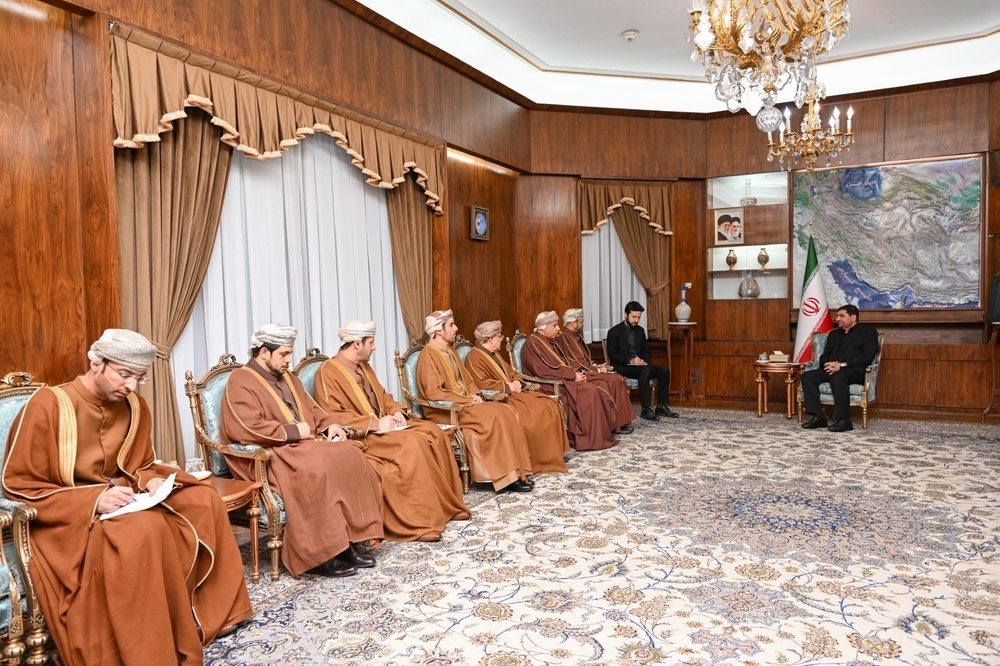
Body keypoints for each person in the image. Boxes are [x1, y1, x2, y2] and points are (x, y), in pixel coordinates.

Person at [2, 329, 253, 665]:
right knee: (142, 530)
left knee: (202, 499)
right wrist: (93, 500)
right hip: (66, 514)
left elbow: (141, 464)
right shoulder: (49, 405)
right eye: (125, 375)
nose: (132, 386)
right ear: (96, 363)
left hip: (124, 496)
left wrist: (148, 481)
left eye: (140, 378)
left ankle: (208, 617)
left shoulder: (133, 404)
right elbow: (19, 485)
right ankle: (150, 646)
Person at [220, 324, 383, 578]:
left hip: (301, 447)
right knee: (316, 469)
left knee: (350, 452)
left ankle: (346, 543)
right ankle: (320, 555)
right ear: (264, 352)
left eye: (289, 354)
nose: (288, 360)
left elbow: (314, 409)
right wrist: (294, 432)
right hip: (270, 455)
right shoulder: (240, 381)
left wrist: (331, 426)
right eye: (284, 354)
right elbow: (246, 427)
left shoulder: (288, 377)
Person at [314, 320, 469, 543]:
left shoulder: (364, 366)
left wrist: (395, 411)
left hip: (386, 426)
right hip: (365, 435)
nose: (375, 347)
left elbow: (383, 395)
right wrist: (377, 424)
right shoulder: (327, 373)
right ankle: (420, 522)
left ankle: (447, 506)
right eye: (372, 342)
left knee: (434, 432)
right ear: (357, 344)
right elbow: (334, 415)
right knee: (412, 443)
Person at [417, 310, 534, 493]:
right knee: (496, 417)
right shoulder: (428, 354)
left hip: (466, 404)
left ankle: (519, 472)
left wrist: (475, 395)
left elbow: (468, 380)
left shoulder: (451, 351)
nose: (456, 328)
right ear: (438, 331)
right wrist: (466, 400)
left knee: (506, 410)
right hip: (447, 411)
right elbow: (434, 393)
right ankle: (506, 478)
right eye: (451, 325)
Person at [464, 320, 570, 474]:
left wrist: (516, 381)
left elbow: (511, 371)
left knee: (548, 403)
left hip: (514, 393)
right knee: (534, 415)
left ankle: (551, 454)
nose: (501, 339)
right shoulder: (474, 356)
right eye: (499, 336)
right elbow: (481, 383)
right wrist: (507, 387)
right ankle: (537, 459)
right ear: (491, 338)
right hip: (500, 398)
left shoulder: (495, 354)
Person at [521, 311, 619, 451]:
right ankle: (588, 438)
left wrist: (576, 373)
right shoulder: (533, 343)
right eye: (554, 326)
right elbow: (542, 371)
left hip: (561, 379)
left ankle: (597, 435)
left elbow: (563, 362)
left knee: (593, 387)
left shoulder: (548, 341)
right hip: (547, 384)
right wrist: (572, 376)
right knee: (589, 391)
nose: (558, 329)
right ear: (543, 328)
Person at [800, 304, 879, 432]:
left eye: (842, 316)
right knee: (808, 376)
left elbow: (867, 357)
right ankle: (818, 417)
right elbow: (825, 354)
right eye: (837, 316)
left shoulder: (868, 332)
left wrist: (841, 365)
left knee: (838, 376)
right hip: (832, 368)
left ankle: (844, 420)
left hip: (854, 370)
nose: (837, 319)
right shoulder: (834, 334)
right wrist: (828, 364)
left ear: (853, 317)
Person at [555, 308, 635, 434]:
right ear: (573, 323)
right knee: (611, 381)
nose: (583, 324)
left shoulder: (575, 336)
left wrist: (595, 365)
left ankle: (619, 423)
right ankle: (612, 425)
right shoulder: (565, 338)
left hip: (588, 369)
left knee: (617, 378)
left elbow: (583, 359)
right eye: (581, 322)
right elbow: (576, 362)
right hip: (581, 373)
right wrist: (597, 369)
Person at [606, 301, 678, 421]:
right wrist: (631, 360)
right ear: (626, 314)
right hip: (623, 366)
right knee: (644, 371)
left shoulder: (640, 331)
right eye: (633, 317)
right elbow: (613, 356)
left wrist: (645, 361)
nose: (636, 320)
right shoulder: (614, 332)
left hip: (640, 365)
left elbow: (645, 350)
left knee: (664, 370)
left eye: (638, 317)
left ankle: (661, 406)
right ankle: (646, 409)